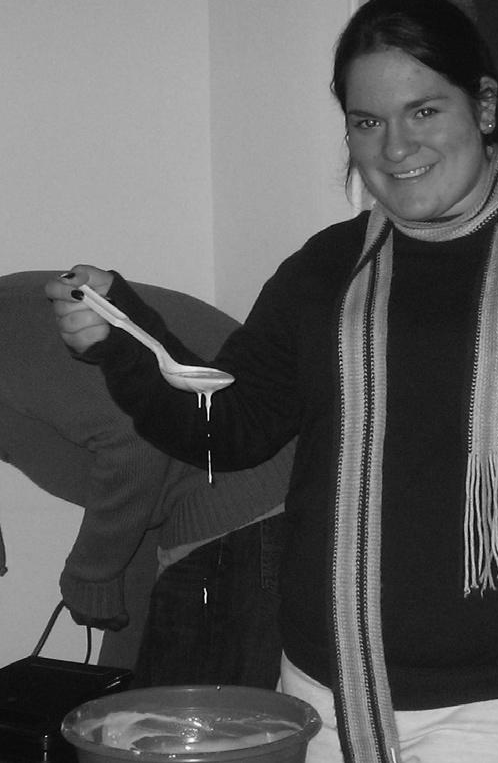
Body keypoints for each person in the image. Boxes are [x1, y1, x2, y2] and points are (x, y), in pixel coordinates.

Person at [45, 0, 498, 763]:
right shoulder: (324, 270)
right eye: (366, 122)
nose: (395, 147)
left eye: (423, 111)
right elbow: (229, 431)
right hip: (327, 700)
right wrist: (126, 340)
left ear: (483, 106)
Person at [1, 270, 292, 687]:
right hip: (178, 501)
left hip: (240, 490)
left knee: (193, 718)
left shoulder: (10, 322)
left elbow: (135, 443)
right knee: (127, 700)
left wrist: (91, 573)